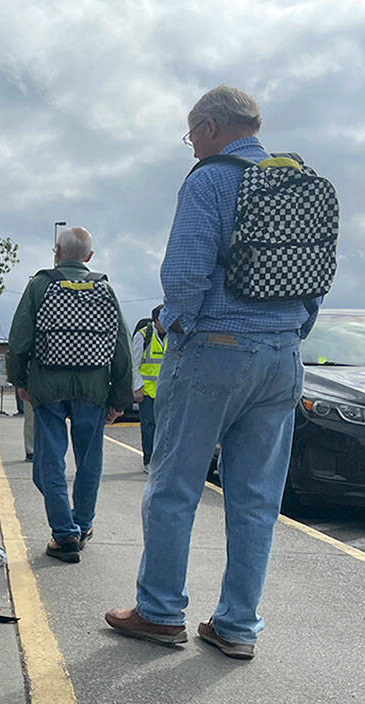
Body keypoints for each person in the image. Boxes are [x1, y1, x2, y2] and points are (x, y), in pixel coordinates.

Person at [106, 86, 324, 660]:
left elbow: (184, 273)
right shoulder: (300, 183)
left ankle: (159, 613)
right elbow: (315, 276)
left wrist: (178, 330)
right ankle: (237, 627)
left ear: (208, 126)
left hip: (214, 349)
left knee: (174, 487)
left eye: (191, 134)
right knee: (255, 498)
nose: (191, 146)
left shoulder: (209, 178)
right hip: (283, 356)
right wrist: (287, 333)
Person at [8, 226, 131, 563]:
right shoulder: (105, 288)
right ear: (89, 257)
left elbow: (20, 337)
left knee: (49, 461)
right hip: (93, 387)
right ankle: (83, 523)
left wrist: (19, 379)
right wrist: (119, 399)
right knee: (90, 460)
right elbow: (121, 347)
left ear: (57, 252)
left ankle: (64, 534)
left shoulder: (40, 285)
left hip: (47, 385)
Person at [131, 304, 167, 472]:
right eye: (164, 320)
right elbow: (134, 364)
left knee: (166, 427)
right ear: (155, 321)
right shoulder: (143, 336)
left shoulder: (174, 336)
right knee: (149, 427)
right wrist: (137, 388)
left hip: (167, 392)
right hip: (147, 392)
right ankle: (149, 461)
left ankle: (163, 460)